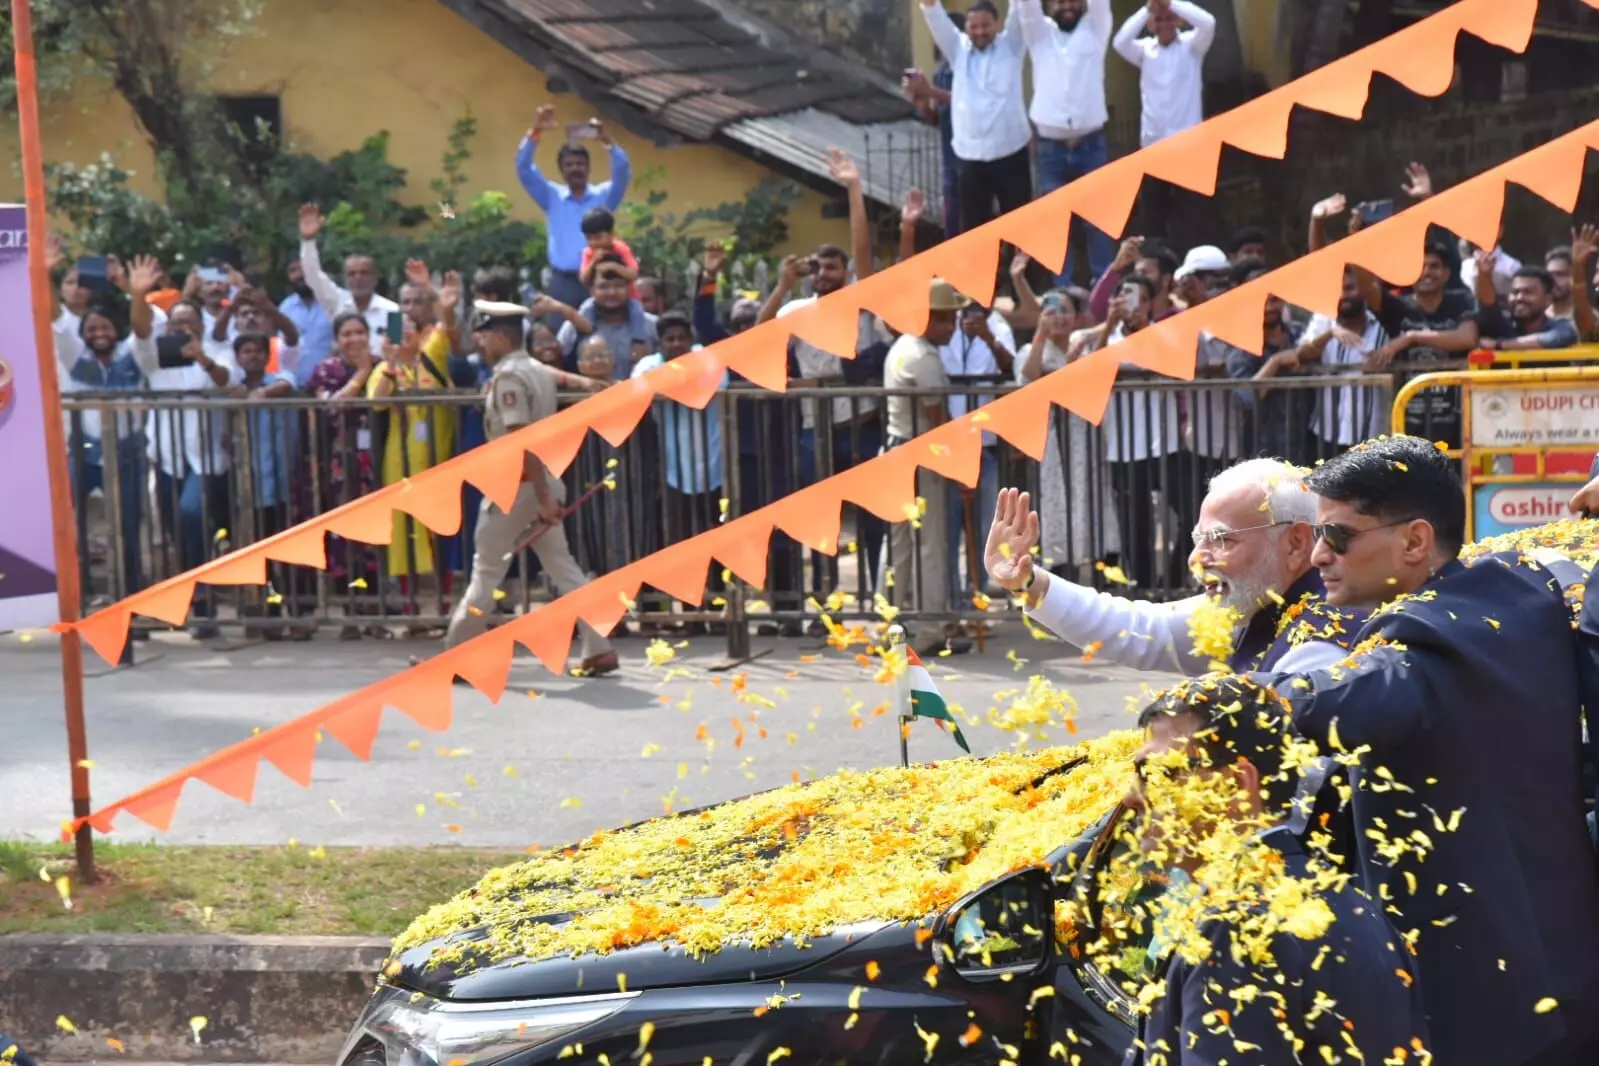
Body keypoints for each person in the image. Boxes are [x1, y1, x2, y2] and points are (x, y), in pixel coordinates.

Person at [1261, 436, 1599, 1066]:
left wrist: (1226, 701)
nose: (1318, 557)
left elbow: (1364, 695)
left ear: (1415, 541)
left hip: (1482, 1009)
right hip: (1566, 967)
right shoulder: (1516, 595)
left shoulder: (1426, 643)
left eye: (1337, 537)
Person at [1121, 674, 1430, 1065]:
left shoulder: (1237, 929)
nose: (1133, 796)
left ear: (1236, 784)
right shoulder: (1356, 907)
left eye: (1160, 773)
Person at [987, 458, 1357, 675]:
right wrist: (1028, 581)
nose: (1197, 561)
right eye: (1199, 541)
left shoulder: (1319, 644)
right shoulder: (1257, 599)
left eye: (1222, 540)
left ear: (1295, 544)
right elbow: (1143, 629)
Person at [442, 302, 618, 676]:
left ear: (501, 336)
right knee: (564, 568)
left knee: (486, 572)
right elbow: (551, 374)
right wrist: (581, 381)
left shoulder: (508, 378)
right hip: (542, 483)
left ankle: (456, 654)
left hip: (518, 485)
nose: (480, 343)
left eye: (484, 335)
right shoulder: (532, 368)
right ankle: (598, 647)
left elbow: (521, 441)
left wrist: (540, 497)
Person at [883, 279, 969, 657]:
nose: (950, 327)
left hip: (897, 450)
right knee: (930, 544)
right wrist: (958, 467)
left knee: (898, 545)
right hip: (921, 456)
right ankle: (931, 626)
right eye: (944, 319)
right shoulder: (925, 358)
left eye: (952, 319)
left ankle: (887, 622)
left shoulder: (901, 348)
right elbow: (940, 421)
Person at [1018, 0, 1115, 284]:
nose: (1067, 6)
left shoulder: (1097, 27)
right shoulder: (1038, 33)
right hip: (1051, 149)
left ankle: (1103, 287)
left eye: (1073, 0)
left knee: (1097, 222)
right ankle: (1063, 292)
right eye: (1060, 1)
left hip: (1091, 144)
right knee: (1056, 224)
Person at [919, 0, 1033, 236]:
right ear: (966, 27)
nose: (980, 32)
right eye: (974, 27)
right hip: (971, 160)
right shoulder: (957, 49)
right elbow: (934, 15)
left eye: (985, 26)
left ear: (997, 24)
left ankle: (1022, 274)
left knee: (1021, 232)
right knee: (974, 235)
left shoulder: (1011, 45)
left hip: (1011, 155)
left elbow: (1021, 8)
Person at [229, 331, 312, 640]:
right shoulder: (232, 390)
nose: (252, 356)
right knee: (258, 556)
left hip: (283, 483)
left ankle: (299, 615)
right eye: (245, 351)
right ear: (237, 358)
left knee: (288, 554)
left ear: (267, 356)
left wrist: (261, 395)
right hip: (251, 487)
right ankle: (269, 616)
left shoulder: (280, 379)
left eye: (257, 351)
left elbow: (289, 382)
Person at [1113, 0, 1215, 242]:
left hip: (1188, 148)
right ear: (1150, 24)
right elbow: (1120, 42)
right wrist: (1148, 8)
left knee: (1191, 221)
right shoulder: (1144, 51)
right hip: (1153, 150)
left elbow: (1208, 22)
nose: (1165, 23)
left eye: (1170, 18)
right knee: (1154, 221)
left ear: (1179, 20)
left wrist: (1171, 4)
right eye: (1159, 19)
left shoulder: (1192, 46)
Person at [517, 106, 632, 312]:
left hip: (601, 279)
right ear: (561, 171)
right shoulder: (551, 197)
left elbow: (622, 172)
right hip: (563, 282)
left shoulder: (604, 197)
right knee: (561, 337)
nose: (575, 169)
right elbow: (524, 169)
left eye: (580, 164)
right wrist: (535, 132)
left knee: (601, 338)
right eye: (569, 165)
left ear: (588, 168)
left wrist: (607, 140)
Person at [296, 203, 398, 355]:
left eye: (364, 273)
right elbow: (312, 274)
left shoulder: (394, 312)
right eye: (352, 274)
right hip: (344, 376)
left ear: (375, 278)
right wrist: (308, 241)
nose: (358, 278)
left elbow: (398, 351)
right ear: (344, 278)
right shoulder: (336, 302)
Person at [557, 260, 649, 377]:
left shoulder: (649, 326)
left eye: (619, 285)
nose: (612, 292)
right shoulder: (572, 327)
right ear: (591, 290)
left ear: (629, 288)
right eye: (603, 287)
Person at [1475, 264, 1581, 353]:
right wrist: (1484, 274)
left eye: (1528, 292)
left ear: (1548, 299)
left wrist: (1499, 345)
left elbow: (1553, 338)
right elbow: (1487, 303)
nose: (1520, 297)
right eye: (1515, 292)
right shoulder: (1501, 325)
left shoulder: (1561, 327)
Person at [279, 256, 334, 386]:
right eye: (293, 270)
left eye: (304, 268)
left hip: (332, 385)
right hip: (294, 386)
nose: (299, 274)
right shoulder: (285, 307)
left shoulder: (336, 302)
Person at [577, 207, 640, 292]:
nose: (593, 242)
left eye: (598, 237)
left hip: (627, 298)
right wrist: (594, 261)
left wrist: (612, 266)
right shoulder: (588, 252)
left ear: (611, 234)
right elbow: (583, 279)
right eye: (589, 238)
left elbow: (634, 274)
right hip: (600, 298)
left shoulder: (621, 249)